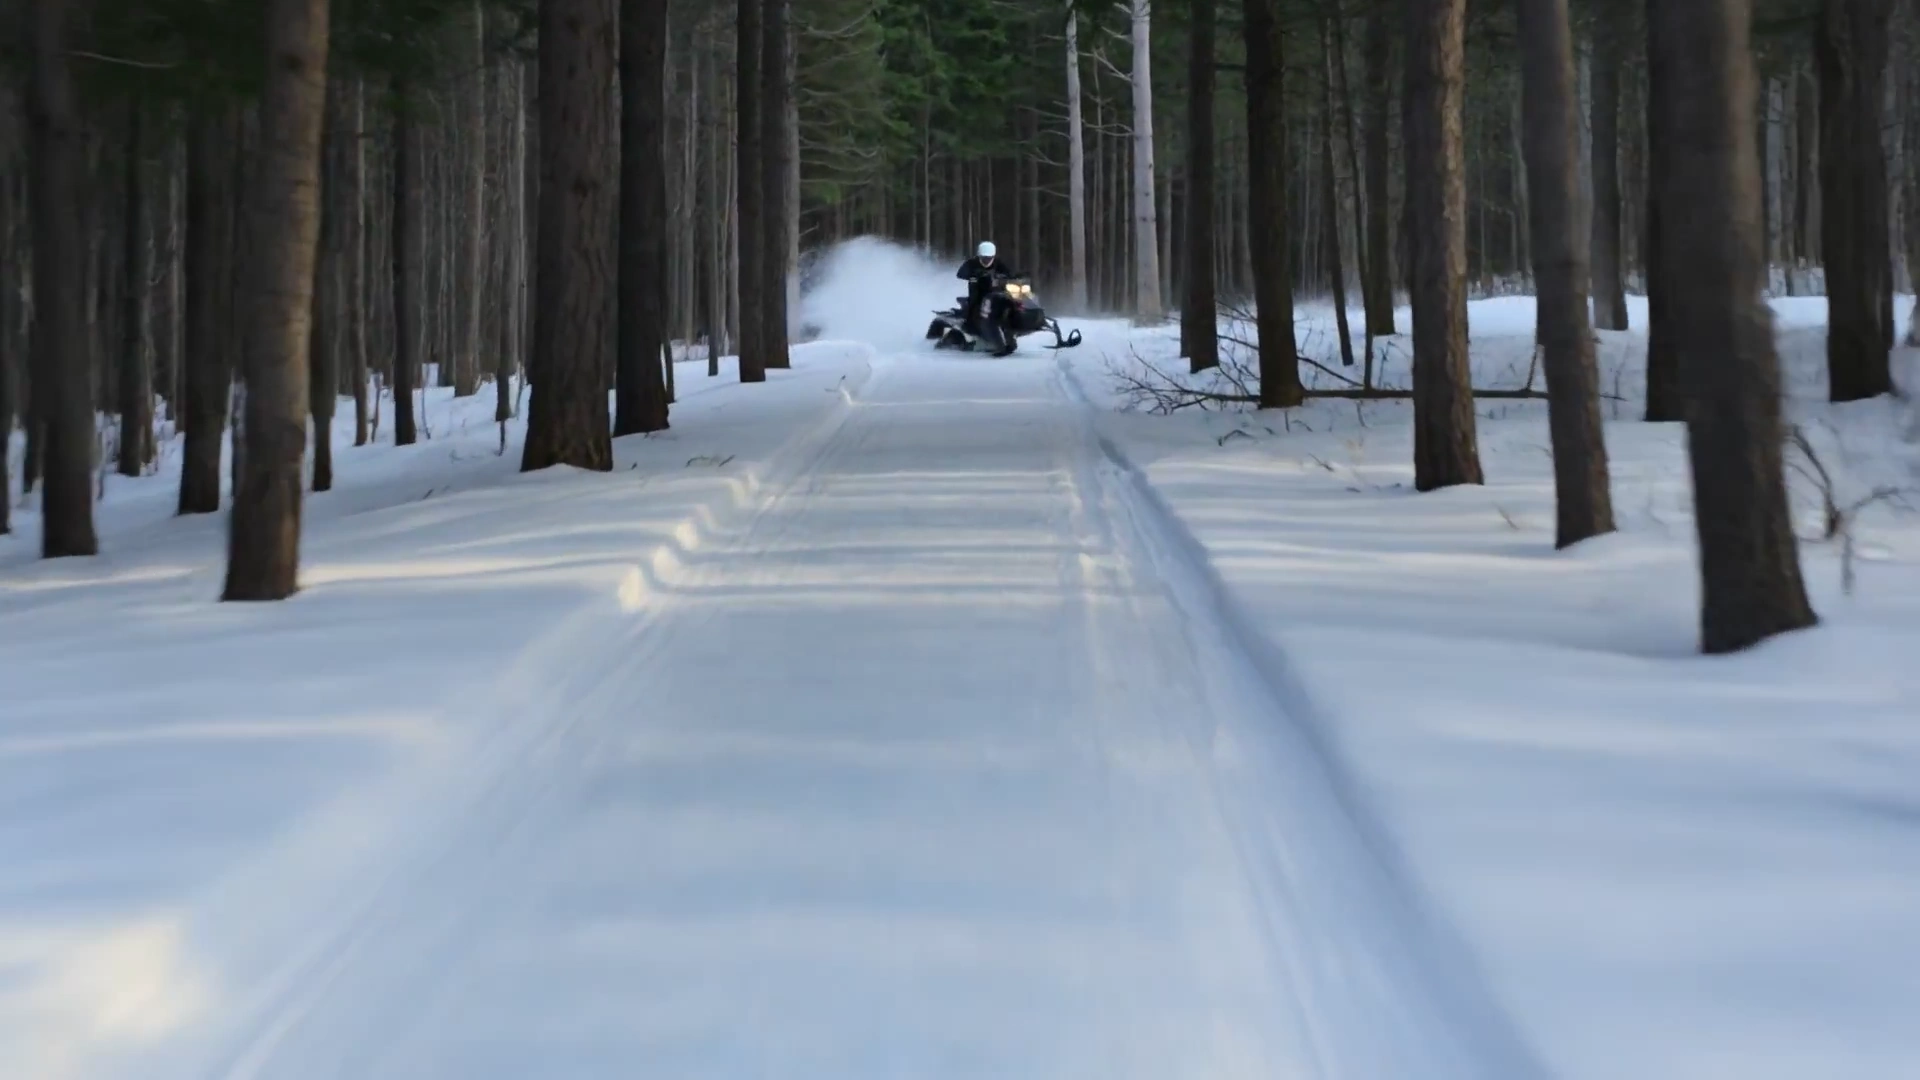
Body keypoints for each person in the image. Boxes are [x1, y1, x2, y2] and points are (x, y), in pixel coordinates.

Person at [955, 241, 1018, 333]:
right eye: (984, 258)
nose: (987, 261)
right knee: (974, 304)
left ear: (993, 256)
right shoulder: (972, 263)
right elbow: (960, 273)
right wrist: (973, 275)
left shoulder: (998, 263)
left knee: (1012, 300)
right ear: (979, 256)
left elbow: (1008, 273)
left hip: (996, 291)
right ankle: (969, 326)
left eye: (989, 258)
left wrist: (1013, 277)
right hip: (978, 292)